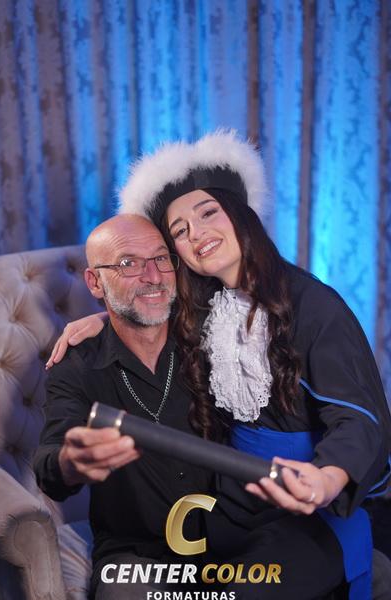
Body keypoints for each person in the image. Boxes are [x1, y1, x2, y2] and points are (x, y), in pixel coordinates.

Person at [45, 131, 391, 599]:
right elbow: (149, 304)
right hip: (233, 504)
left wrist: (327, 479)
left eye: (207, 212)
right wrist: (106, 316)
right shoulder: (205, 304)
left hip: (308, 504)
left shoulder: (316, 307)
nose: (197, 234)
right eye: (180, 231)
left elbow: (358, 418)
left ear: (240, 212)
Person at [34, 214, 215, 600]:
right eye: (128, 263)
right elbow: (50, 463)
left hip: (232, 541)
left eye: (161, 258)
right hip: (137, 556)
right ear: (95, 282)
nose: (153, 276)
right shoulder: (76, 365)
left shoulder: (210, 335)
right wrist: (72, 461)